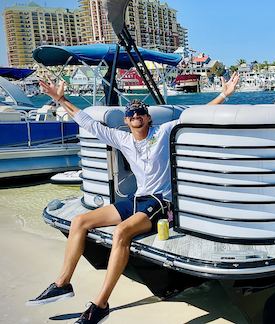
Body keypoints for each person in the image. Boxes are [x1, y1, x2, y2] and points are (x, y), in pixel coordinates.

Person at [27, 72, 240, 324]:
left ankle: (100, 304)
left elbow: (196, 117)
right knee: (80, 221)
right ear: (126, 121)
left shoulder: (164, 132)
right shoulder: (123, 139)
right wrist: (61, 99)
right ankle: (63, 283)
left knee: (121, 232)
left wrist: (223, 95)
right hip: (138, 199)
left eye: (140, 113)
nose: (136, 116)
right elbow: (88, 123)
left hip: (161, 202)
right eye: (131, 114)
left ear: (148, 117)